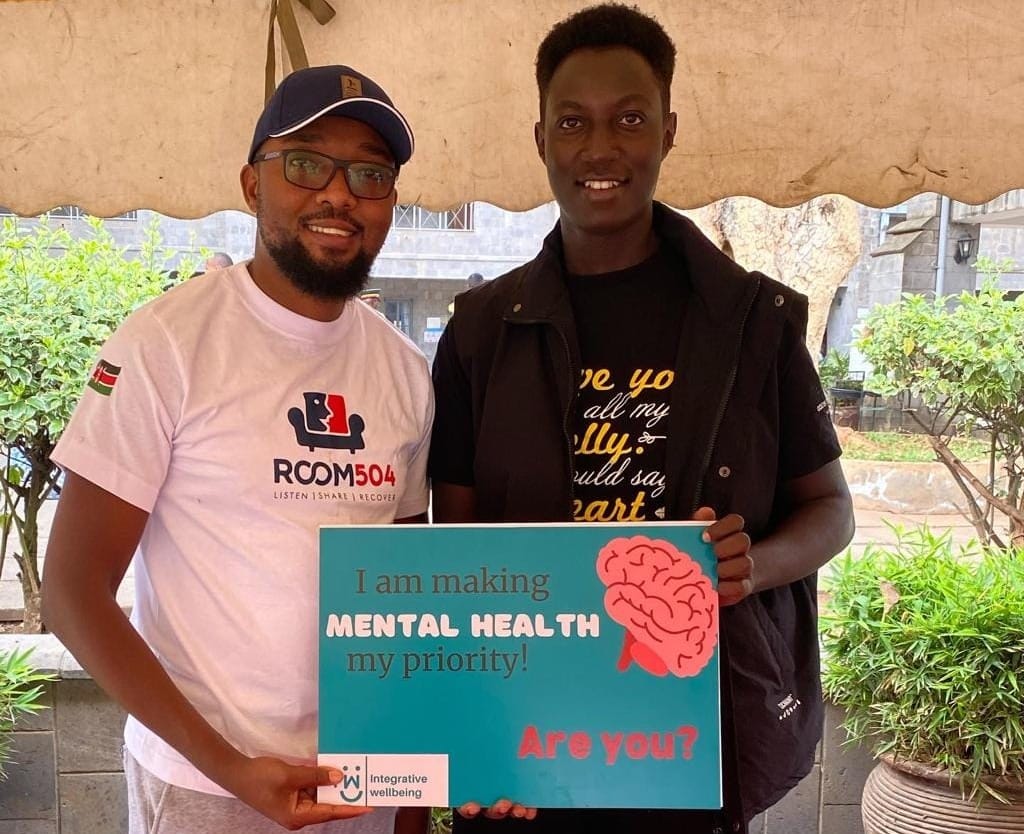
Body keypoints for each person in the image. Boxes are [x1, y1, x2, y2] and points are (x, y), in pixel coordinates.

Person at [428, 5, 855, 833]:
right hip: (528, 748)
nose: (600, 147)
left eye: (629, 118)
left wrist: (748, 568)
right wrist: (474, 732)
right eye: (573, 122)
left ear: (668, 130)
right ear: (541, 139)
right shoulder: (481, 331)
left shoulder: (752, 323)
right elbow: (458, 546)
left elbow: (831, 512)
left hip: (693, 738)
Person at [42, 65, 432, 834]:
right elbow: (70, 591)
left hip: (364, 784)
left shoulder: (406, 373)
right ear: (253, 185)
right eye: (307, 162)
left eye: (370, 173)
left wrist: (410, 803)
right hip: (202, 788)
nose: (339, 193)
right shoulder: (166, 344)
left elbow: (408, 599)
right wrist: (228, 768)